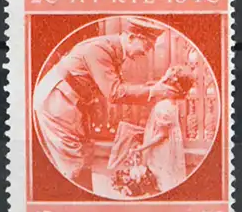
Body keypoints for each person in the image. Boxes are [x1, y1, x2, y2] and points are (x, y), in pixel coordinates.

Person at [33, 17, 161, 187]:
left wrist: (149, 88)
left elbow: (112, 85)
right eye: (147, 45)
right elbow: (114, 93)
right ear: (131, 37)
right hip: (57, 102)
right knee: (73, 163)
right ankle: (74, 198)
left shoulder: (112, 49)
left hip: (71, 103)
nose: (147, 52)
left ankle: (83, 195)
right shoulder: (99, 50)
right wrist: (153, 91)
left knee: (84, 156)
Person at [140, 67, 194, 192]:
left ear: (171, 89)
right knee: (170, 175)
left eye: (165, 83)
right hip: (172, 145)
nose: (162, 86)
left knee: (161, 177)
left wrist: (142, 148)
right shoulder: (173, 104)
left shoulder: (163, 106)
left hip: (162, 148)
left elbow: (162, 135)